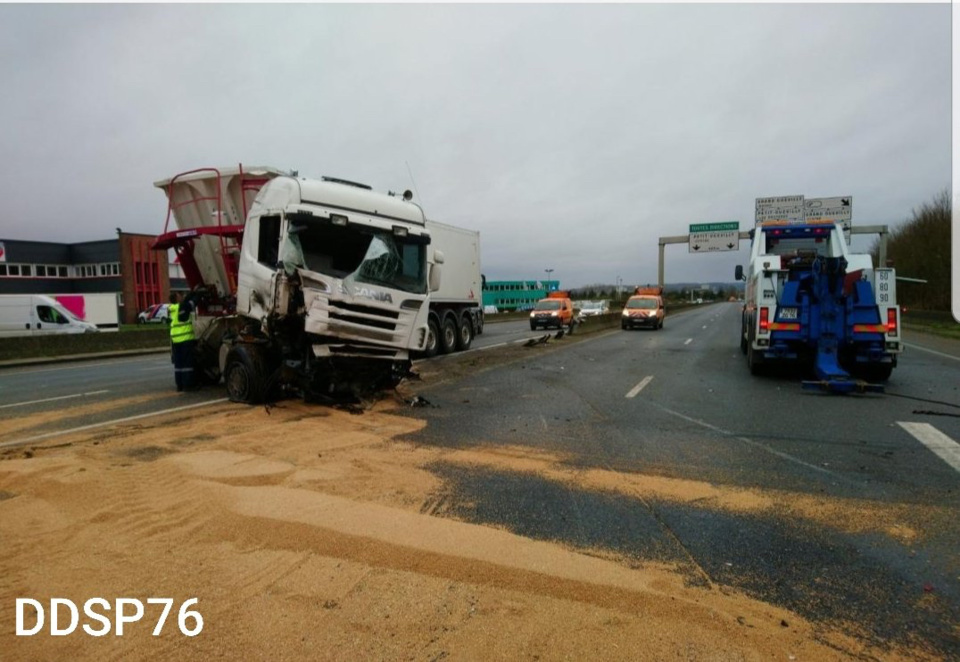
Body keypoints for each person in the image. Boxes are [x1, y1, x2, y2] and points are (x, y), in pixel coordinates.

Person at [168, 291, 199, 392]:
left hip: (175, 340)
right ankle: (189, 385)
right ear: (177, 297)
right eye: (180, 295)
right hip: (185, 339)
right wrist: (198, 294)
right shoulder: (182, 307)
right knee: (187, 364)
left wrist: (191, 292)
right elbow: (192, 303)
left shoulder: (172, 309)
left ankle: (179, 385)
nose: (182, 297)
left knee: (178, 364)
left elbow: (186, 301)